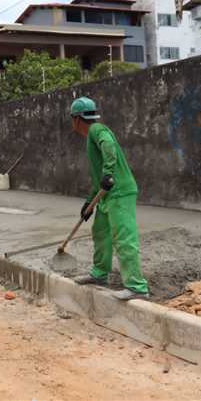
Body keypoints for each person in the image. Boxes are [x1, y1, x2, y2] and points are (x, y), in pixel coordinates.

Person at [70, 96, 150, 301]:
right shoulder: (91, 136)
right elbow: (98, 180)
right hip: (106, 195)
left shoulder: (97, 130)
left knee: (124, 237)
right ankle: (99, 273)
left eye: (72, 119)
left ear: (77, 119)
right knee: (101, 233)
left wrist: (108, 173)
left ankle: (137, 286)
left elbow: (109, 145)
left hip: (120, 192)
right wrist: (89, 202)